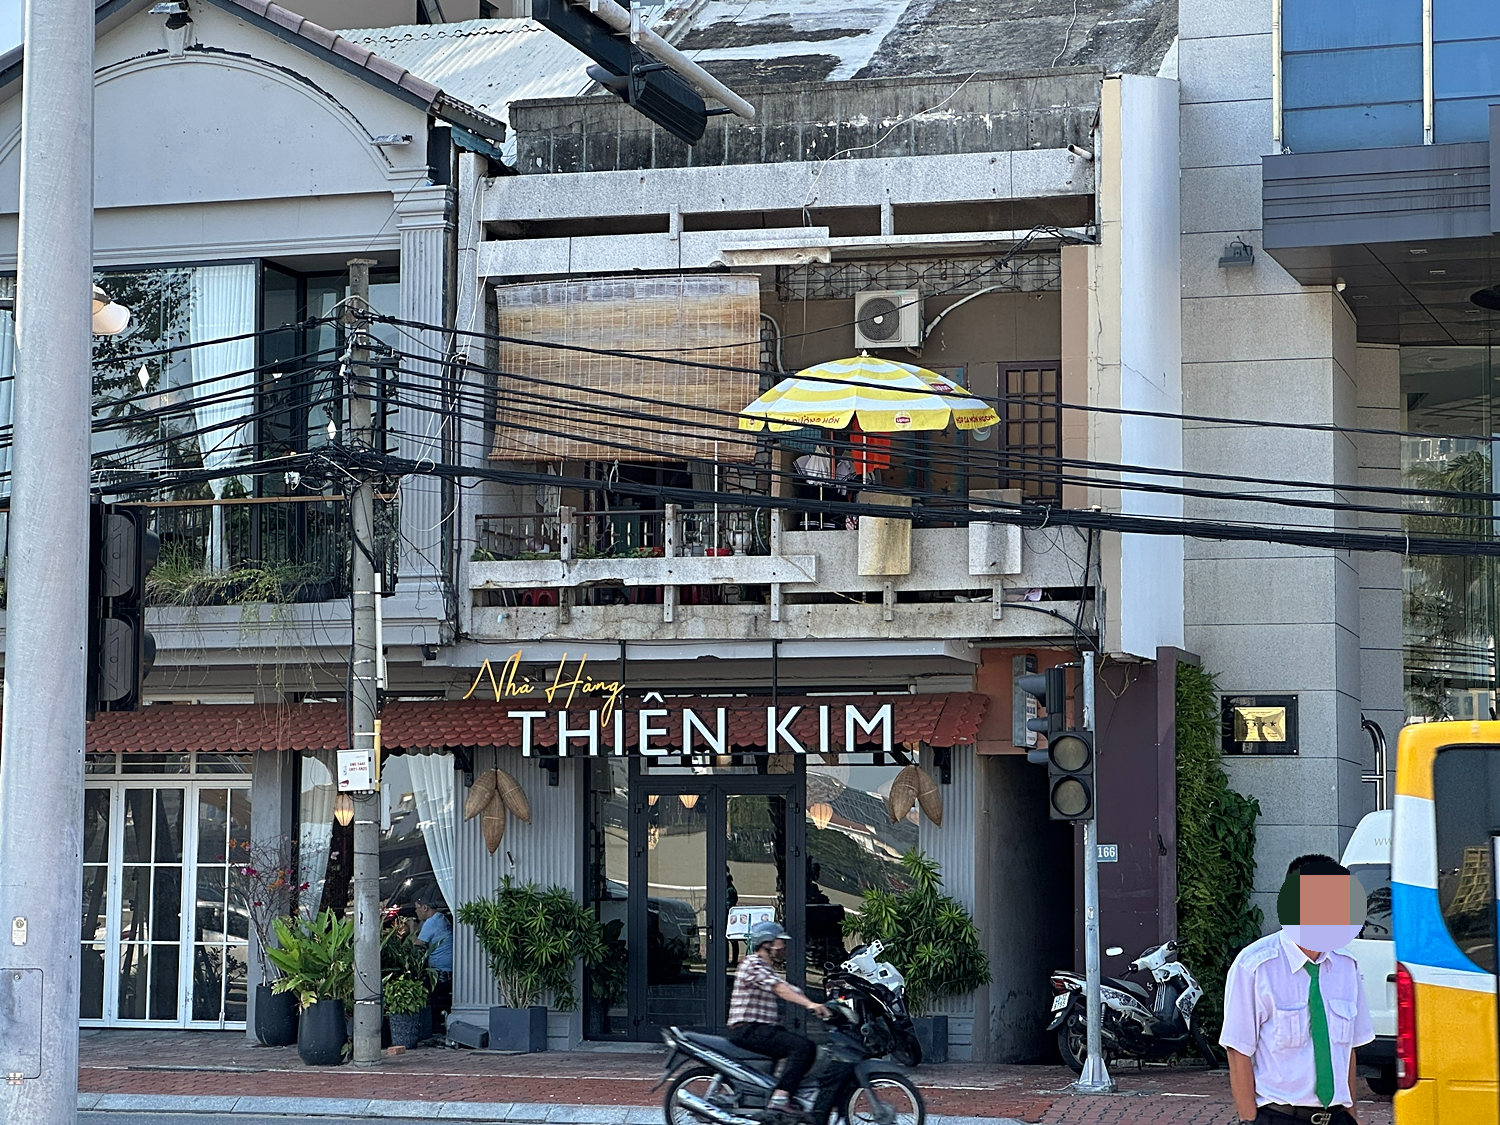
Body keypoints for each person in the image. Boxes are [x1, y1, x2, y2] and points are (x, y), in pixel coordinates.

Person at [1221, 854, 1375, 1125]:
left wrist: (1351, 1114)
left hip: (1337, 1117)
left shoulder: (1346, 967)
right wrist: (1249, 1120)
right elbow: (1238, 1049)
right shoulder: (1256, 966)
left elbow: (1348, 1050)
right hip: (1279, 1116)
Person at [728, 921, 829, 1115]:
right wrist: (809, 1004)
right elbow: (779, 989)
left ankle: (778, 1094)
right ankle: (781, 1098)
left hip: (759, 1028)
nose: (784, 947)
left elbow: (790, 989)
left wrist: (825, 1004)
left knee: (792, 1045)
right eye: (780, 942)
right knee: (803, 1048)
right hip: (747, 1028)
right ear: (767, 943)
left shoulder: (765, 967)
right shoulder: (752, 964)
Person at [412, 890, 453, 1025]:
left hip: (439, 971)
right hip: (448, 969)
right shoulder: (440, 918)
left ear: (425, 907)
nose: (416, 911)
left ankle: (431, 1024)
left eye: (417, 908)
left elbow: (417, 943)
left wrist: (411, 928)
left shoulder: (431, 922)